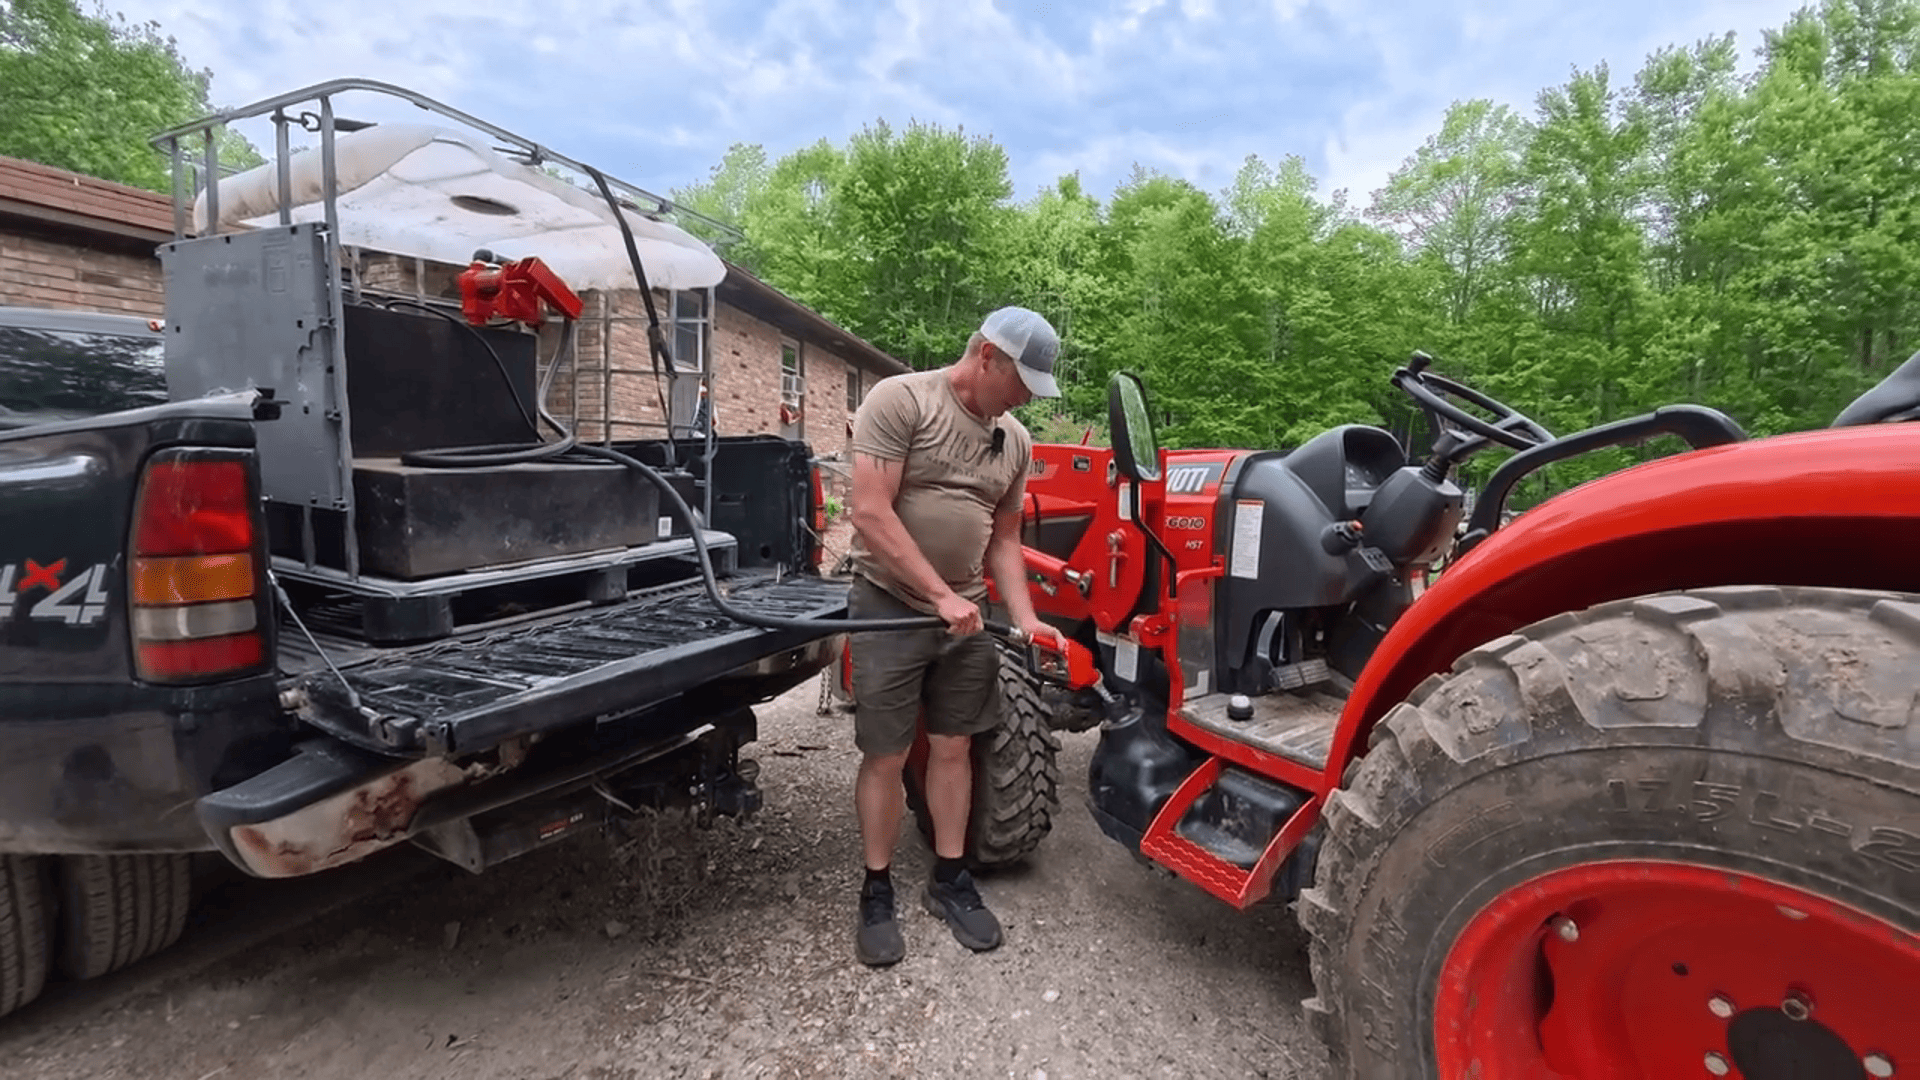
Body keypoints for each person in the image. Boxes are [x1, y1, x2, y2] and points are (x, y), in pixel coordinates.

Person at [843, 305, 1061, 967]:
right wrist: (937, 597)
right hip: (891, 606)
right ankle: (876, 889)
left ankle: (950, 878)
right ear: (987, 354)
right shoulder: (901, 400)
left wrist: (1024, 618)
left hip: (963, 613)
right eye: (1021, 379)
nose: (1025, 396)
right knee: (885, 752)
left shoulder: (1014, 439)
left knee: (954, 747)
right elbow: (869, 512)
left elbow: (1005, 539)